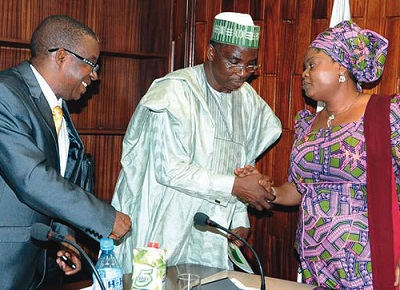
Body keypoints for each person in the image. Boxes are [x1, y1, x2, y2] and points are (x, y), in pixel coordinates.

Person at [111, 12, 281, 272]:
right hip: (163, 216)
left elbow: (242, 163)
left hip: (211, 224)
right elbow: (169, 169)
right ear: (211, 52)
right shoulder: (174, 91)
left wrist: (239, 215)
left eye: (250, 65)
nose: (242, 73)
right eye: (234, 62)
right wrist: (236, 186)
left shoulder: (247, 100)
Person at [236, 20, 400, 289]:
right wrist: (266, 189)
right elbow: (299, 190)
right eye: (304, 67)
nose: (305, 73)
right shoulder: (307, 124)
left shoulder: (385, 114)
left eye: (313, 64)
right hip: (316, 267)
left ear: (341, 67)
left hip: (370, 266)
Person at [0, 15, 132, 290]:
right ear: (61, 57)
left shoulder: (56, 105)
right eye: (92, 64)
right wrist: (104, 218)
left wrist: (64, 236)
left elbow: (60, 176)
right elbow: (32, 178)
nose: (95, 75)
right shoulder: (5, 94)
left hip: (39, 263)